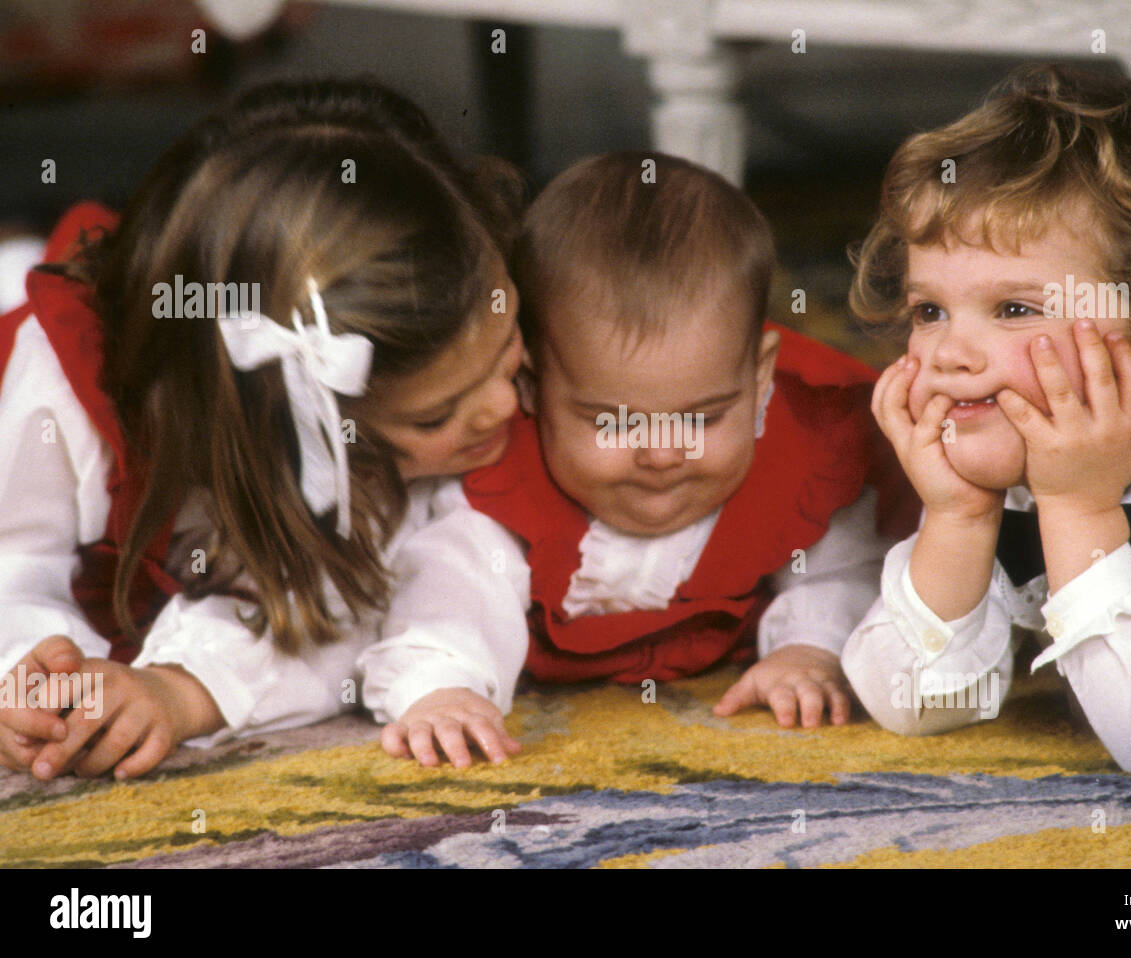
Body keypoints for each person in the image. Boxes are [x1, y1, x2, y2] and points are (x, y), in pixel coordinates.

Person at [0, 78, 526, 780]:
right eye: (436, 414)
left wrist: (177, 690)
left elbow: (342, 615)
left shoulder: (410, 445)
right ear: (281, 422)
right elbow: (13, 564)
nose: (504, 407)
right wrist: (36, 673)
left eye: (511, 355)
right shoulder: (60, 396)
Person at [361, 151, 919, 767]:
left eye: (703, 418)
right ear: (531, 384)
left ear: (759, 377)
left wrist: (811, 650)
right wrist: (443, 687)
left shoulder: (800, 457)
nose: (662, 453)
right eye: (614, 422)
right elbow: (454, 585)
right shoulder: (502, 482)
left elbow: (845, 571)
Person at [842, 64, 1131, 775]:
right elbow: (912, 705)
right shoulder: (1019, 448)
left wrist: (1080, 511)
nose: (950, 353)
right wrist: (958, 520)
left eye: (1014, 309)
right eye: (930, 310)